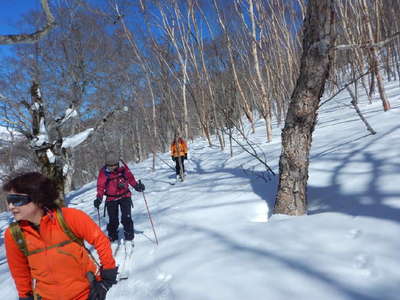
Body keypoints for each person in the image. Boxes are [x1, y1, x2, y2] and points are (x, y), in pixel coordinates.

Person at [3, 172, 117, 300]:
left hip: (86, 294)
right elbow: (19, 272)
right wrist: (25, 296)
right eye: (9, 201)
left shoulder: (70, 217)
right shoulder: (14, 235)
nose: (11, 206)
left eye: (17, 201)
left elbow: (100, 240)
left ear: (38, 199)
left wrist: (108, 275)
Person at [94, 151, 145, 252]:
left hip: (124, 195)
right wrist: (99, 198)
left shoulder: (123, 168)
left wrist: (136, 186)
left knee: (126, 217)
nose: (112, 168)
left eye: (114, 165)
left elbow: (130, 178)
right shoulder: (103, 172)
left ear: (117, 163)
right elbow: (100, 186)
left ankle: (129, 237)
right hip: (111, 198)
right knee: (113, 220)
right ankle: (112, 237)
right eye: (110, 166)